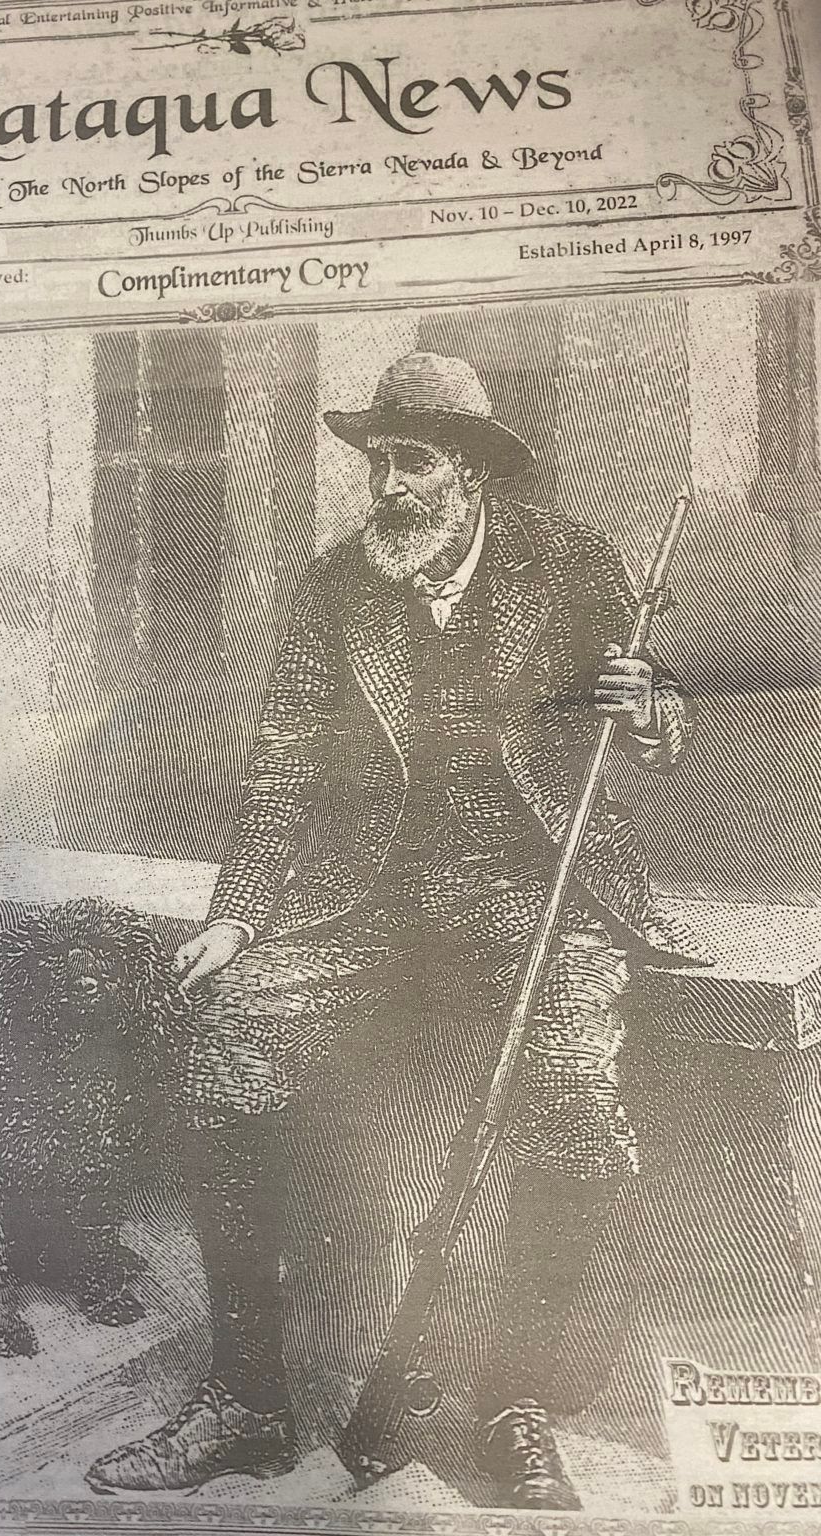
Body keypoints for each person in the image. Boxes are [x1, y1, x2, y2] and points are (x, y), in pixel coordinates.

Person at [85, 352, 702, 1509]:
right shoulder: (339, 583)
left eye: (409, 462)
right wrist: (239, 919)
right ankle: (250, 1403)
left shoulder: (572, 562)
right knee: (229, 1040)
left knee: (574, 1098)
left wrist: (648, 711)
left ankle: (514, 1401)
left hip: (536, 886)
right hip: (361, 897)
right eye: (376, 464)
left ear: (467, 472)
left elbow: (663, 708)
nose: (385, 487)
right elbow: (279, 768)